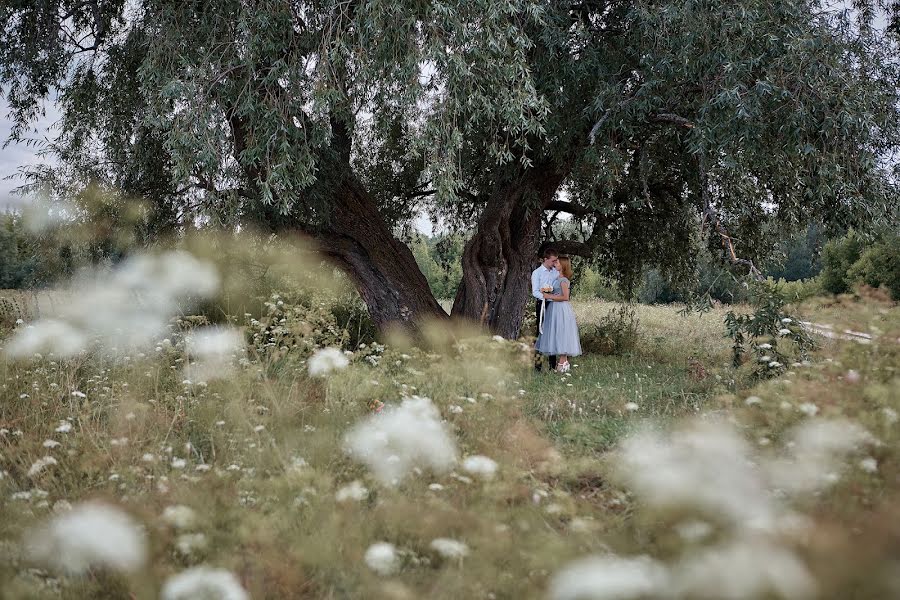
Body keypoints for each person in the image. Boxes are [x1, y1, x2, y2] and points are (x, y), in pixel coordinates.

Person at [535, 256, 582, 373]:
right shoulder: (558, 278)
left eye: (558, 262)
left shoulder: (563, 280)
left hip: (560, 309)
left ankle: (562, 362)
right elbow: (557, 292)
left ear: (563, 265)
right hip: (554, 308)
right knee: (557, 332)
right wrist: (547, 291)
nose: (556, 263)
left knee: (562, 332)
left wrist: (548, 296)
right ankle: (563, 362)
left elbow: (565, 297)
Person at [531, 248, 559, 371]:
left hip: (553, 305)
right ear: (545, 259)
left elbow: (558, 287)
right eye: (553, 261)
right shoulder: (537, 273)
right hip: (542, 304)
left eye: (555, 261)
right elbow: (535, 291)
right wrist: (546, 295)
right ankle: (538, 366)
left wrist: (553, 294)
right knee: (541, 333)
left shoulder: (556, 273)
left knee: (553, 333)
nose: (554, 263)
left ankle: (553, 366)